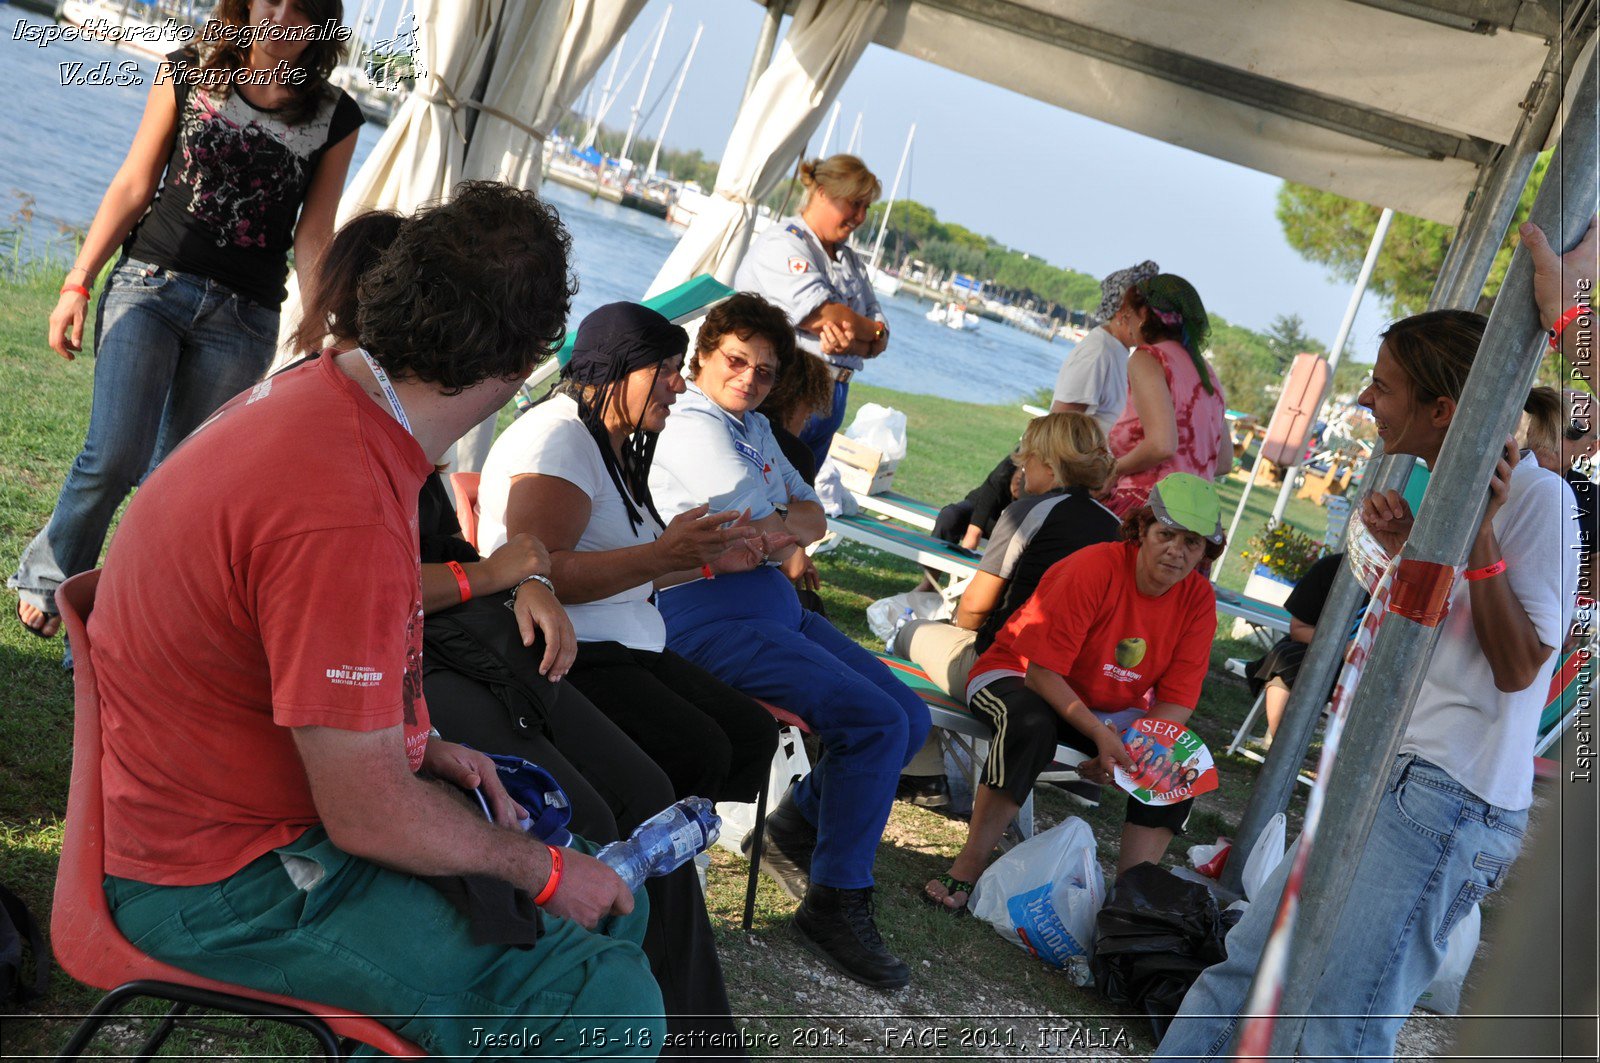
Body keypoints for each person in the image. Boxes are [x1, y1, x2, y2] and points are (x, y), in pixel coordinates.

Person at [91, 181, 665, 1055]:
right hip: (219, 879)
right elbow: (367, 816)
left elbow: (268, 659)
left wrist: (412, 744)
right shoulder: (345, 498)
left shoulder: (326, 395)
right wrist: (541, 869)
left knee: (623, 894)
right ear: (524, 362)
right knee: (611, 1003)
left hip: (222, 812)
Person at [293, 214, 746, 1053]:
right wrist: (501, 576)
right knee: (590, 811)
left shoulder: (393, 431)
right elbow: (368, 590)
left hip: (470, 647)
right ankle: (624, 1015)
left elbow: (471, 554)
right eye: (670, 370)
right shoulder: (333, 435)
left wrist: (523, 578)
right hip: (419, 662)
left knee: (646, 794)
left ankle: (693, 1036)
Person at [1159, 309, 1580, 1061]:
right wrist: (1401, 552)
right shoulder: (1439, 485)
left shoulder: (1539, 499)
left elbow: (1518, 668)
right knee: (1249, 972)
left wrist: (1479, 535)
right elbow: (1432, 641)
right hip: (1384, 771)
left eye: (1383, 387)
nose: (1364, 402)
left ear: (1442, 408)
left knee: (1338, 1027)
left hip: (1448, 796)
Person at [12, 0, 362, 640]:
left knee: (173, 489)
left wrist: (320, 318)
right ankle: (50, 577)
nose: (281, 15)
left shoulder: (334, 116)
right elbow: (134, 183)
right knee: (116, 454)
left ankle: (112, 622)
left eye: (301, 5)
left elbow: (315, 230)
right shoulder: (189, 69)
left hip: (246, 317)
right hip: (152, 283)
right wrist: (76, 282)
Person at [649, 293, 930, 990]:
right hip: (707, 616)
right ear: (704, 357)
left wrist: (784, 526)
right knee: (873, 719)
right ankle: (835, 899)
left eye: (766, 372)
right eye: (735, 361)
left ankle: (798, 824)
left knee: (913, 717)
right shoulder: (691, 426)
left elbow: (811, 517)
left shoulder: (750, 427)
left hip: (776, 610)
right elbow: (768, 522)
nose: (749, 379)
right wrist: (783, 526)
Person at [476, 302, 780, 805]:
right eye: (665, 371)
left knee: (751, 730)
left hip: (622, 645)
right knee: (698, 748)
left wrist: (705, 561)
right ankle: (650, 865)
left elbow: (626, 568)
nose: (679, 386)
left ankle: (680, 858)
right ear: (615, 368)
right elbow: (537, 572)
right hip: (565, 654)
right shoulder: (560, 438)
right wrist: (662, 554)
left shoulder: (612, 440)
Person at [923, 473, 1225, 914]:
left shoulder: (1197, 599)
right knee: (1031, 724)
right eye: (1167, 535)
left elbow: (1176, 701)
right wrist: (1103, 737)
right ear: (1141, 530)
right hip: (1017, 672)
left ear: (1205, 552)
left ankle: (1125, 908)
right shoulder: (1094, 566)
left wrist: (1136, 749)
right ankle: (967, 868)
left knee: (1177, 764)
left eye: (1193, 543)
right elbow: (1042, 675)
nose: (1178, 552)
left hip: (1106, 705)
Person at [895, 412, 1120, 807]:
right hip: (1076, 682)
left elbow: (976, 605)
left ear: (1049, 466)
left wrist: (961, 632)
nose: (1020, 466)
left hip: (1009, 668)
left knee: (908, 633)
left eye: (1026, 457)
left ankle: (923, 773)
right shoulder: (1118, 529)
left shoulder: (1028, 512)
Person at [733, 154, 889, 471]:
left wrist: (870, 335)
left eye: (866, 208)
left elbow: (881, 331)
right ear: (822, 193)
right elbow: (829, 317)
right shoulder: (785, 243)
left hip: (836, 392)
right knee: (769, 486)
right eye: (854, 204)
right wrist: (867, 335)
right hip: (791, 388)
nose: (860, 217)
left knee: (799, 494)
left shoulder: (851, 261)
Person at [1102, 274, 1232, 516]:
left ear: (1144, 316)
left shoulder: (1149, 358)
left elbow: (1162, 445)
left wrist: (1111, 472)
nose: (1127, 323)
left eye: (1129, 315)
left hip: (1146, 507)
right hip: (1193, 517)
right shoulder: (1205, 369)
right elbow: (1223, 461)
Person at [1243, 552, 1368, 745]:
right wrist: (1343, 647)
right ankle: (1283, 749)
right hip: (1322, 650)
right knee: (1287, 662)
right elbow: (1299, 630)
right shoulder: (1334, 567)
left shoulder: (1406, 582)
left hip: (1370, 671)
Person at [1051, 260, 1159, 433]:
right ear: (1124, 311)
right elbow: (1058, 427)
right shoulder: (1098, 352)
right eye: (1149, 313)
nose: (1155, 321)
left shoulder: (1117, 351)